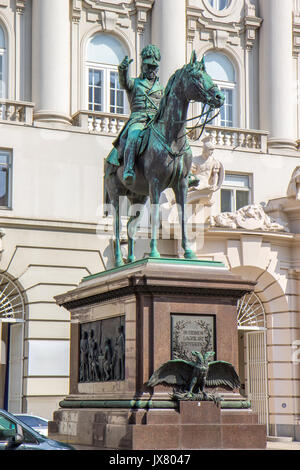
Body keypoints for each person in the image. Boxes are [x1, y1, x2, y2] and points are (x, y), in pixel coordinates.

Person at [106, 44, 164, 184]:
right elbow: (124, 82)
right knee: (133, 136)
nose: (151, 70)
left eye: (154, 67)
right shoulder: (135, 83)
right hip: (139, 119)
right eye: (148, 66)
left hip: (155, 121)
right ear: (142, 66)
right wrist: (123, 70)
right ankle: (129, 169)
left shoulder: (161, 88)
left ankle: (183, 173)